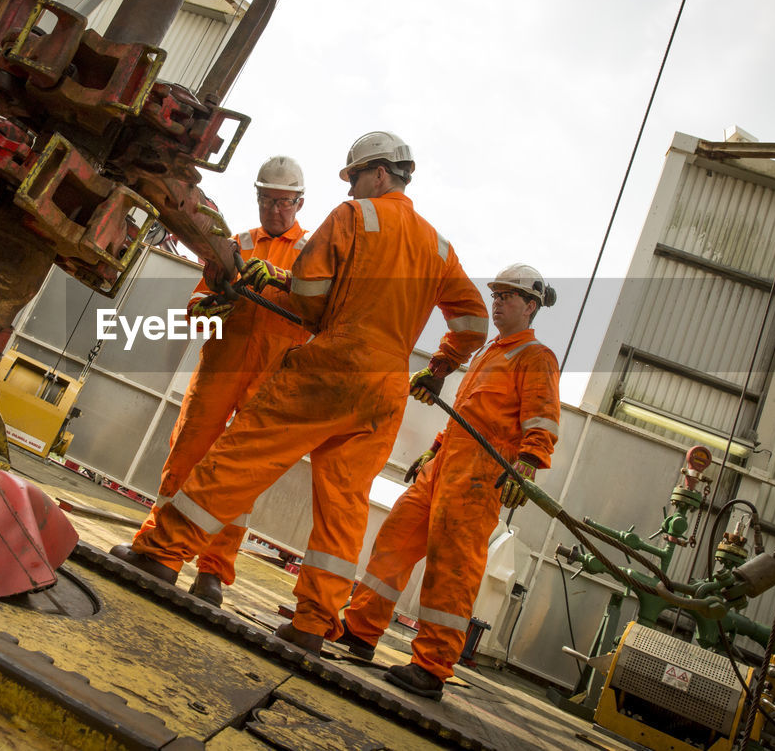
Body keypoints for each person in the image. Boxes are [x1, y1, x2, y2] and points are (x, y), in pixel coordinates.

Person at [114, 131, 489, 654]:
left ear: (378, 173)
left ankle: (162, 552)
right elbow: (474, 323)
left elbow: (310, 295)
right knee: (344, 507)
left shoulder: (352, 217)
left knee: (240, 457)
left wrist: (301, 303)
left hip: (332, 368)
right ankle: (313, 623)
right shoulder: (438, 246)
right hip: (385, 390)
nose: (353, 187)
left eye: (355, 176)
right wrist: (444, 363)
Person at [332, 264, 561, 701]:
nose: (498, 302)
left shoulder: (535, 357)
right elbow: (468, 415)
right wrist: (433, 452)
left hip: (481, 475)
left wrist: (528, 463)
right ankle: (360, 632)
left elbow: (542, 419)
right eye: (495, 294)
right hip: (446, 465)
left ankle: (431, 667)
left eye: (508, 296)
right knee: (394, 541)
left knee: (452, 567)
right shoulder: (491, 352)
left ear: (531, 306)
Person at [119, 156, 313, 607]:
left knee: (237, 478)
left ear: (300, 202)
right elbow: (199, 303)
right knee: (185, 453)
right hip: (220, 367)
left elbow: (319, 312)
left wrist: (283, 282)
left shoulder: (311, 255)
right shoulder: (235, 243)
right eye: (268, 200)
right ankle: (155, 548)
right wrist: (204, 312)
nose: (276, 211)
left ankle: (212, 571)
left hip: (270, 376)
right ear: (258, 198)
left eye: (284, 203)